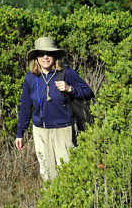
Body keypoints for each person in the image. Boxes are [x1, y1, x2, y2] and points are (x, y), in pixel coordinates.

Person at [15, 36, 94, 182]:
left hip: (64, 130)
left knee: (68, 172)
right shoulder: (31, 78)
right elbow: (25, 107)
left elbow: (88, 92)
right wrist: (20, 133)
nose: (45, 57)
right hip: (40, 131)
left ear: (55, 56)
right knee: (47, 173)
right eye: (41, 54)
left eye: (49, 53)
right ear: (36, 57)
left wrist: (70, 88)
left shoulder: (67, 73)